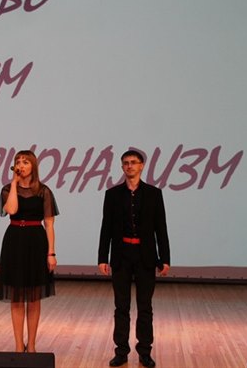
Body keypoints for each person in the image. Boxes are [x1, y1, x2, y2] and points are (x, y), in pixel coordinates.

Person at [97, 149, 170, 368]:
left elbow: (161, 228)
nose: (129, 166)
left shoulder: (154, 194)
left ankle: (145, 351)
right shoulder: (112, 194)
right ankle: (121, 352)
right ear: (122, 167)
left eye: (133, 162)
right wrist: (102, 257)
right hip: (121, 255)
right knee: (121, 306)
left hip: (145, 256)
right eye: (126, 163)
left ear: (141, 166)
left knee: (145, 307)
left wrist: (164, 258)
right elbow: (106, 228)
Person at [0, 149, 58, 353]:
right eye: (18, 162)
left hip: (36, 241)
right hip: (14, 240)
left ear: (33, 166)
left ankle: (31, 345)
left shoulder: (43, 191)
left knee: (33, 297)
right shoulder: (7, 189)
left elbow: (49, 224)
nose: (21, 165)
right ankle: (18, 345)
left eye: (25, 162)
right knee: (16, 296)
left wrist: (51, 253)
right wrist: (14, 184)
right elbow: (12, 210)